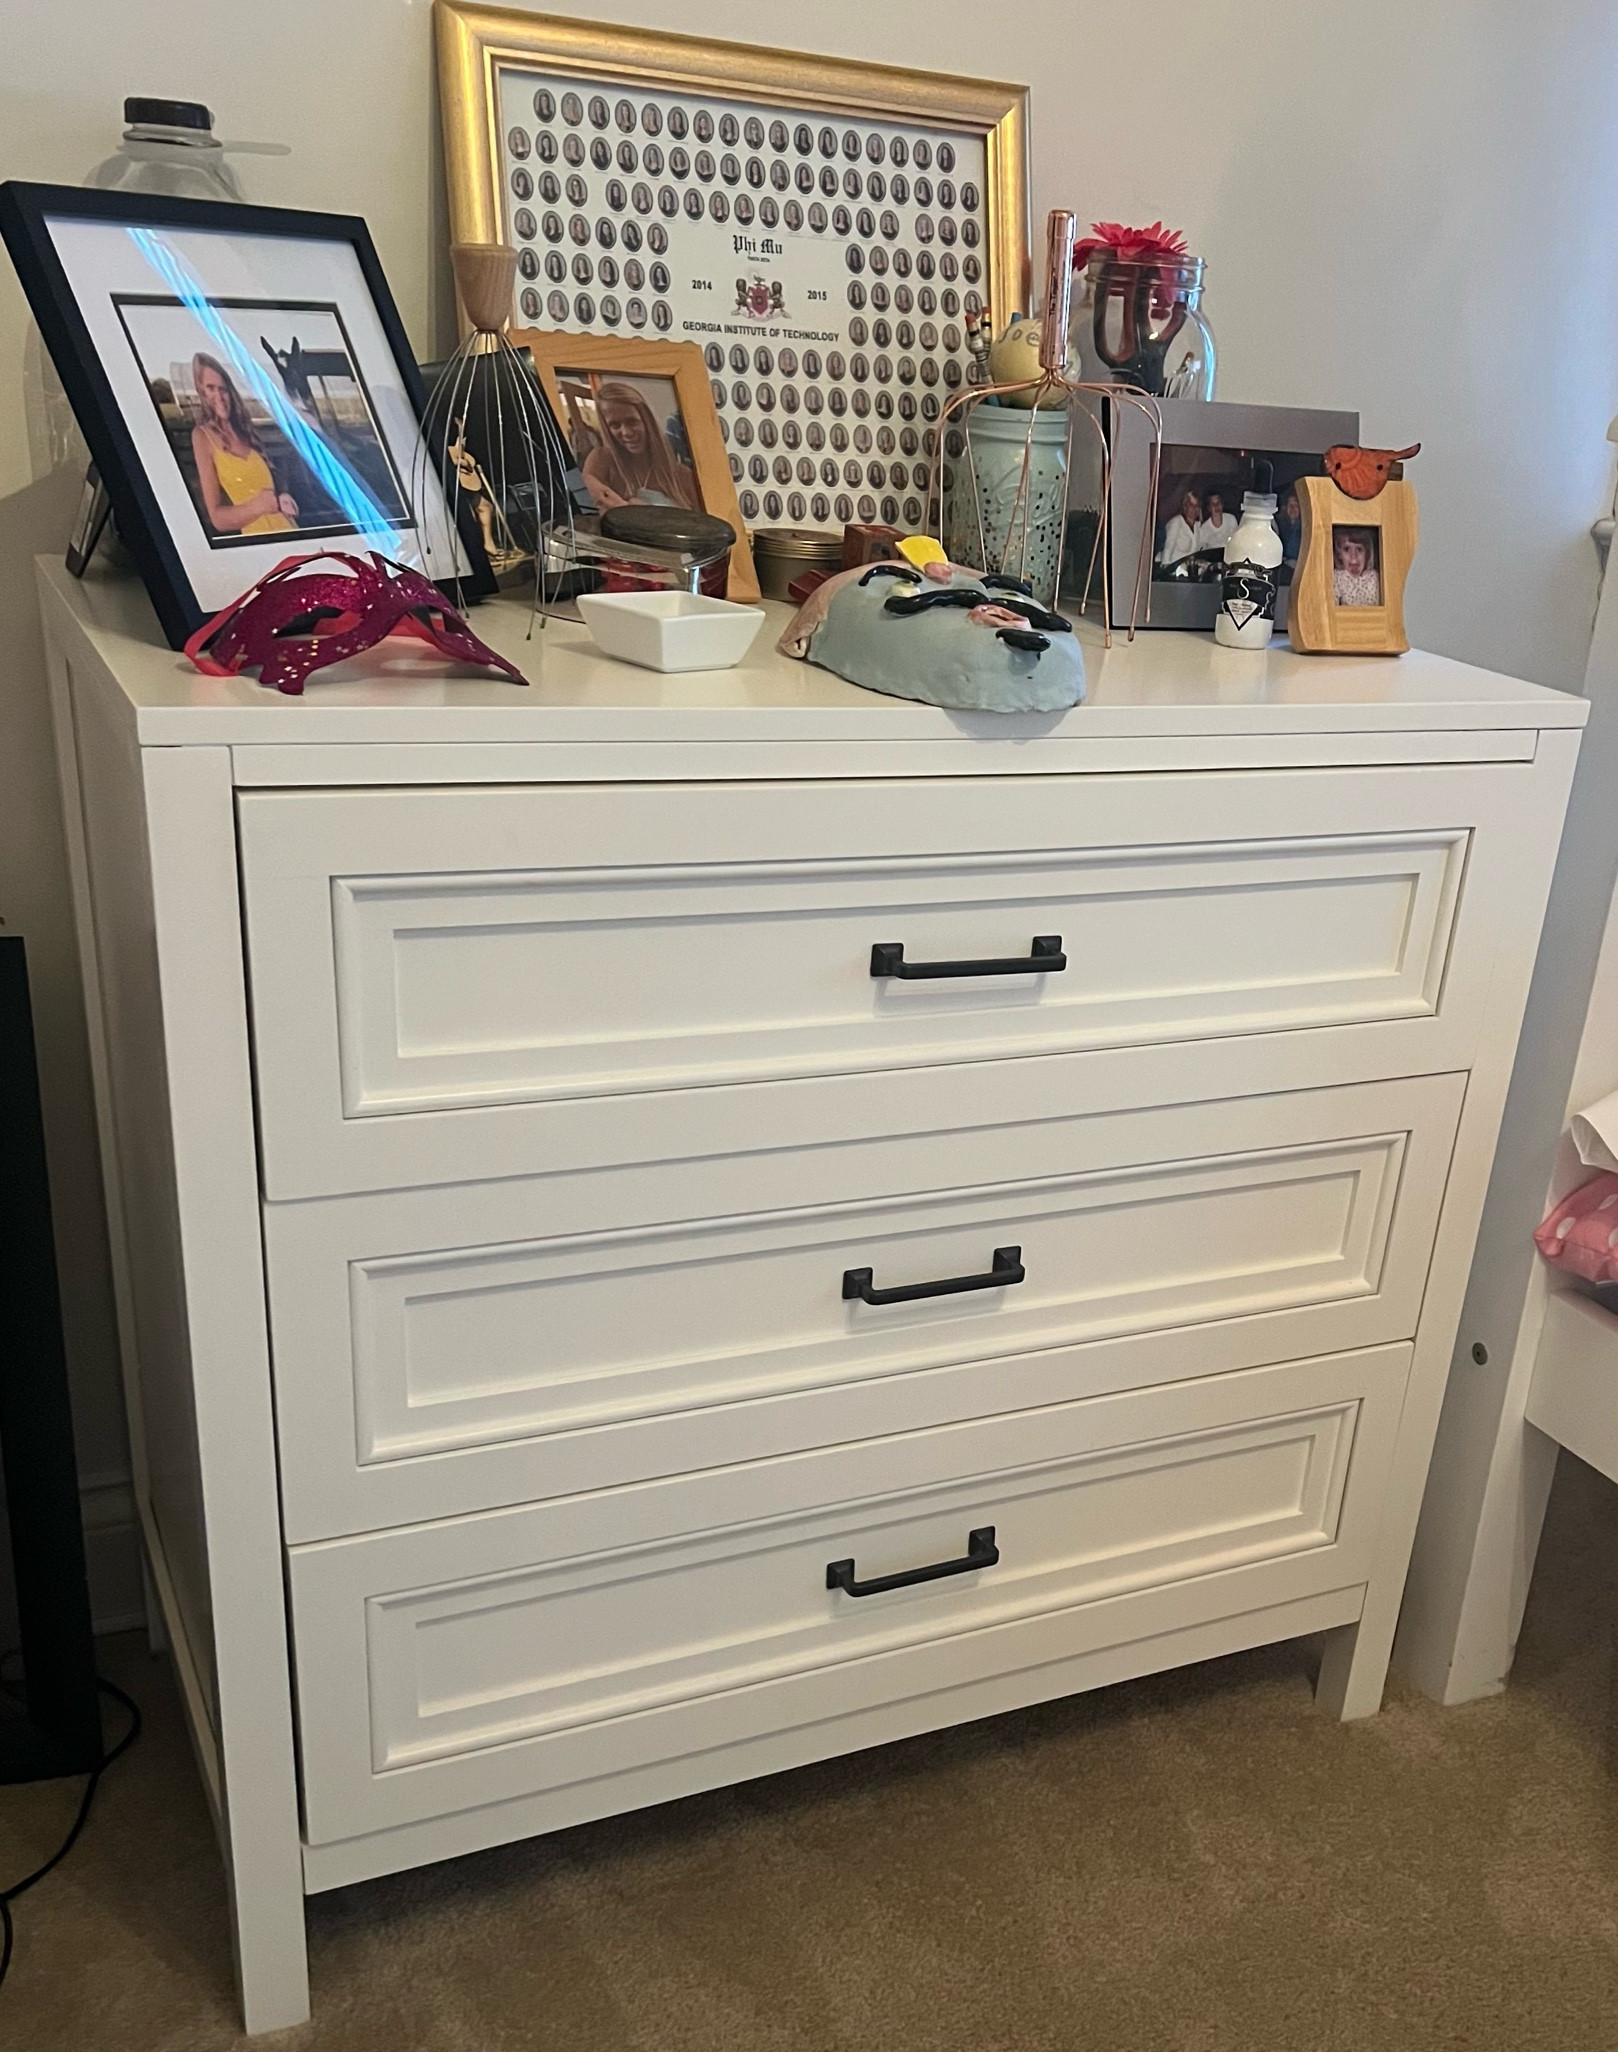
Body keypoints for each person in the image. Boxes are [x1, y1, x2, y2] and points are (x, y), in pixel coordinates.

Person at [189, 353, 298, 536]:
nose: (219, 396)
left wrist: (282, 498)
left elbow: (268, 485)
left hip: (288, 528)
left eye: (222, 389)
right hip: (260, 539)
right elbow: (217, 519)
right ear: (202, 392)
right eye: (211, 388)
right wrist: (256, 507)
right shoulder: (202, 437)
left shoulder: (245, 431)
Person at [581, 381, 702, 511]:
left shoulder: (683, 475)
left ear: (647, 420)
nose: (626, 432)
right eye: (615, 425)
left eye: (632, 422)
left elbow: (703, 526)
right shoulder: (602, 460)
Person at [1333, 526, 1381, 606]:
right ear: (1339, 554)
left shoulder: (1375, 578)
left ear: (1367, 553)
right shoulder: (1338, 578)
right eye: (1346, 549)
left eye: (1359, 549)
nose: (1353, 557)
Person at [1157, 487, 1202, 568]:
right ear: (1185, 507)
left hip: (1189, 568)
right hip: (1173, 566)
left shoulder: (1197, 526)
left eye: (1197, 505)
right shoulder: (1176, 522)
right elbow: (1168, 547)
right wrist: (1166, 566)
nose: (1194, 509)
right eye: (1191, 505)